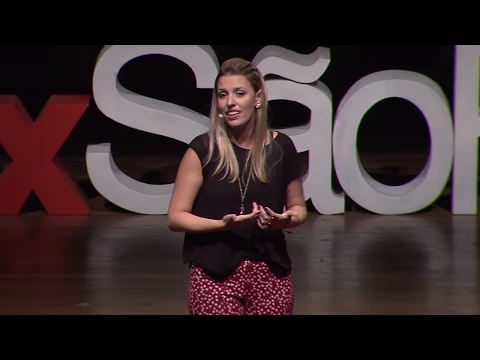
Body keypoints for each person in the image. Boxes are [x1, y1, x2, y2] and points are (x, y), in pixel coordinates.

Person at [167, 57, 308, 315]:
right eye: (223, 95)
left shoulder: (282, 148)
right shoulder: (202, 150)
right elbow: (176, 218)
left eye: (239, 93)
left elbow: (298, 207)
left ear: (257, 98)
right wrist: (221, 225)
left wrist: (284, 220)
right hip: (214, 275)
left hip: (270, 273)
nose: (230, 101)